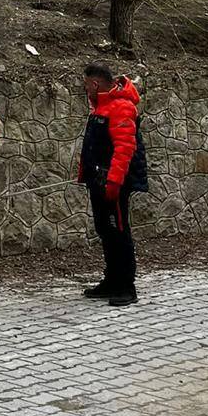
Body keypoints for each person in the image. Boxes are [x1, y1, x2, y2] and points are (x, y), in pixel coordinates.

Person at [77, 61, 148, 306]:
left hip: (114, 183)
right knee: (105, 229)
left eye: (87, 85)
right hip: (99, 181)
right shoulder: (101, 107)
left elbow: (124, 148)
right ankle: (111, 280)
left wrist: (114, 182)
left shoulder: (121, 107)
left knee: (118, 230)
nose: (86, 90)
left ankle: (126, 286)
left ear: (95, 84)